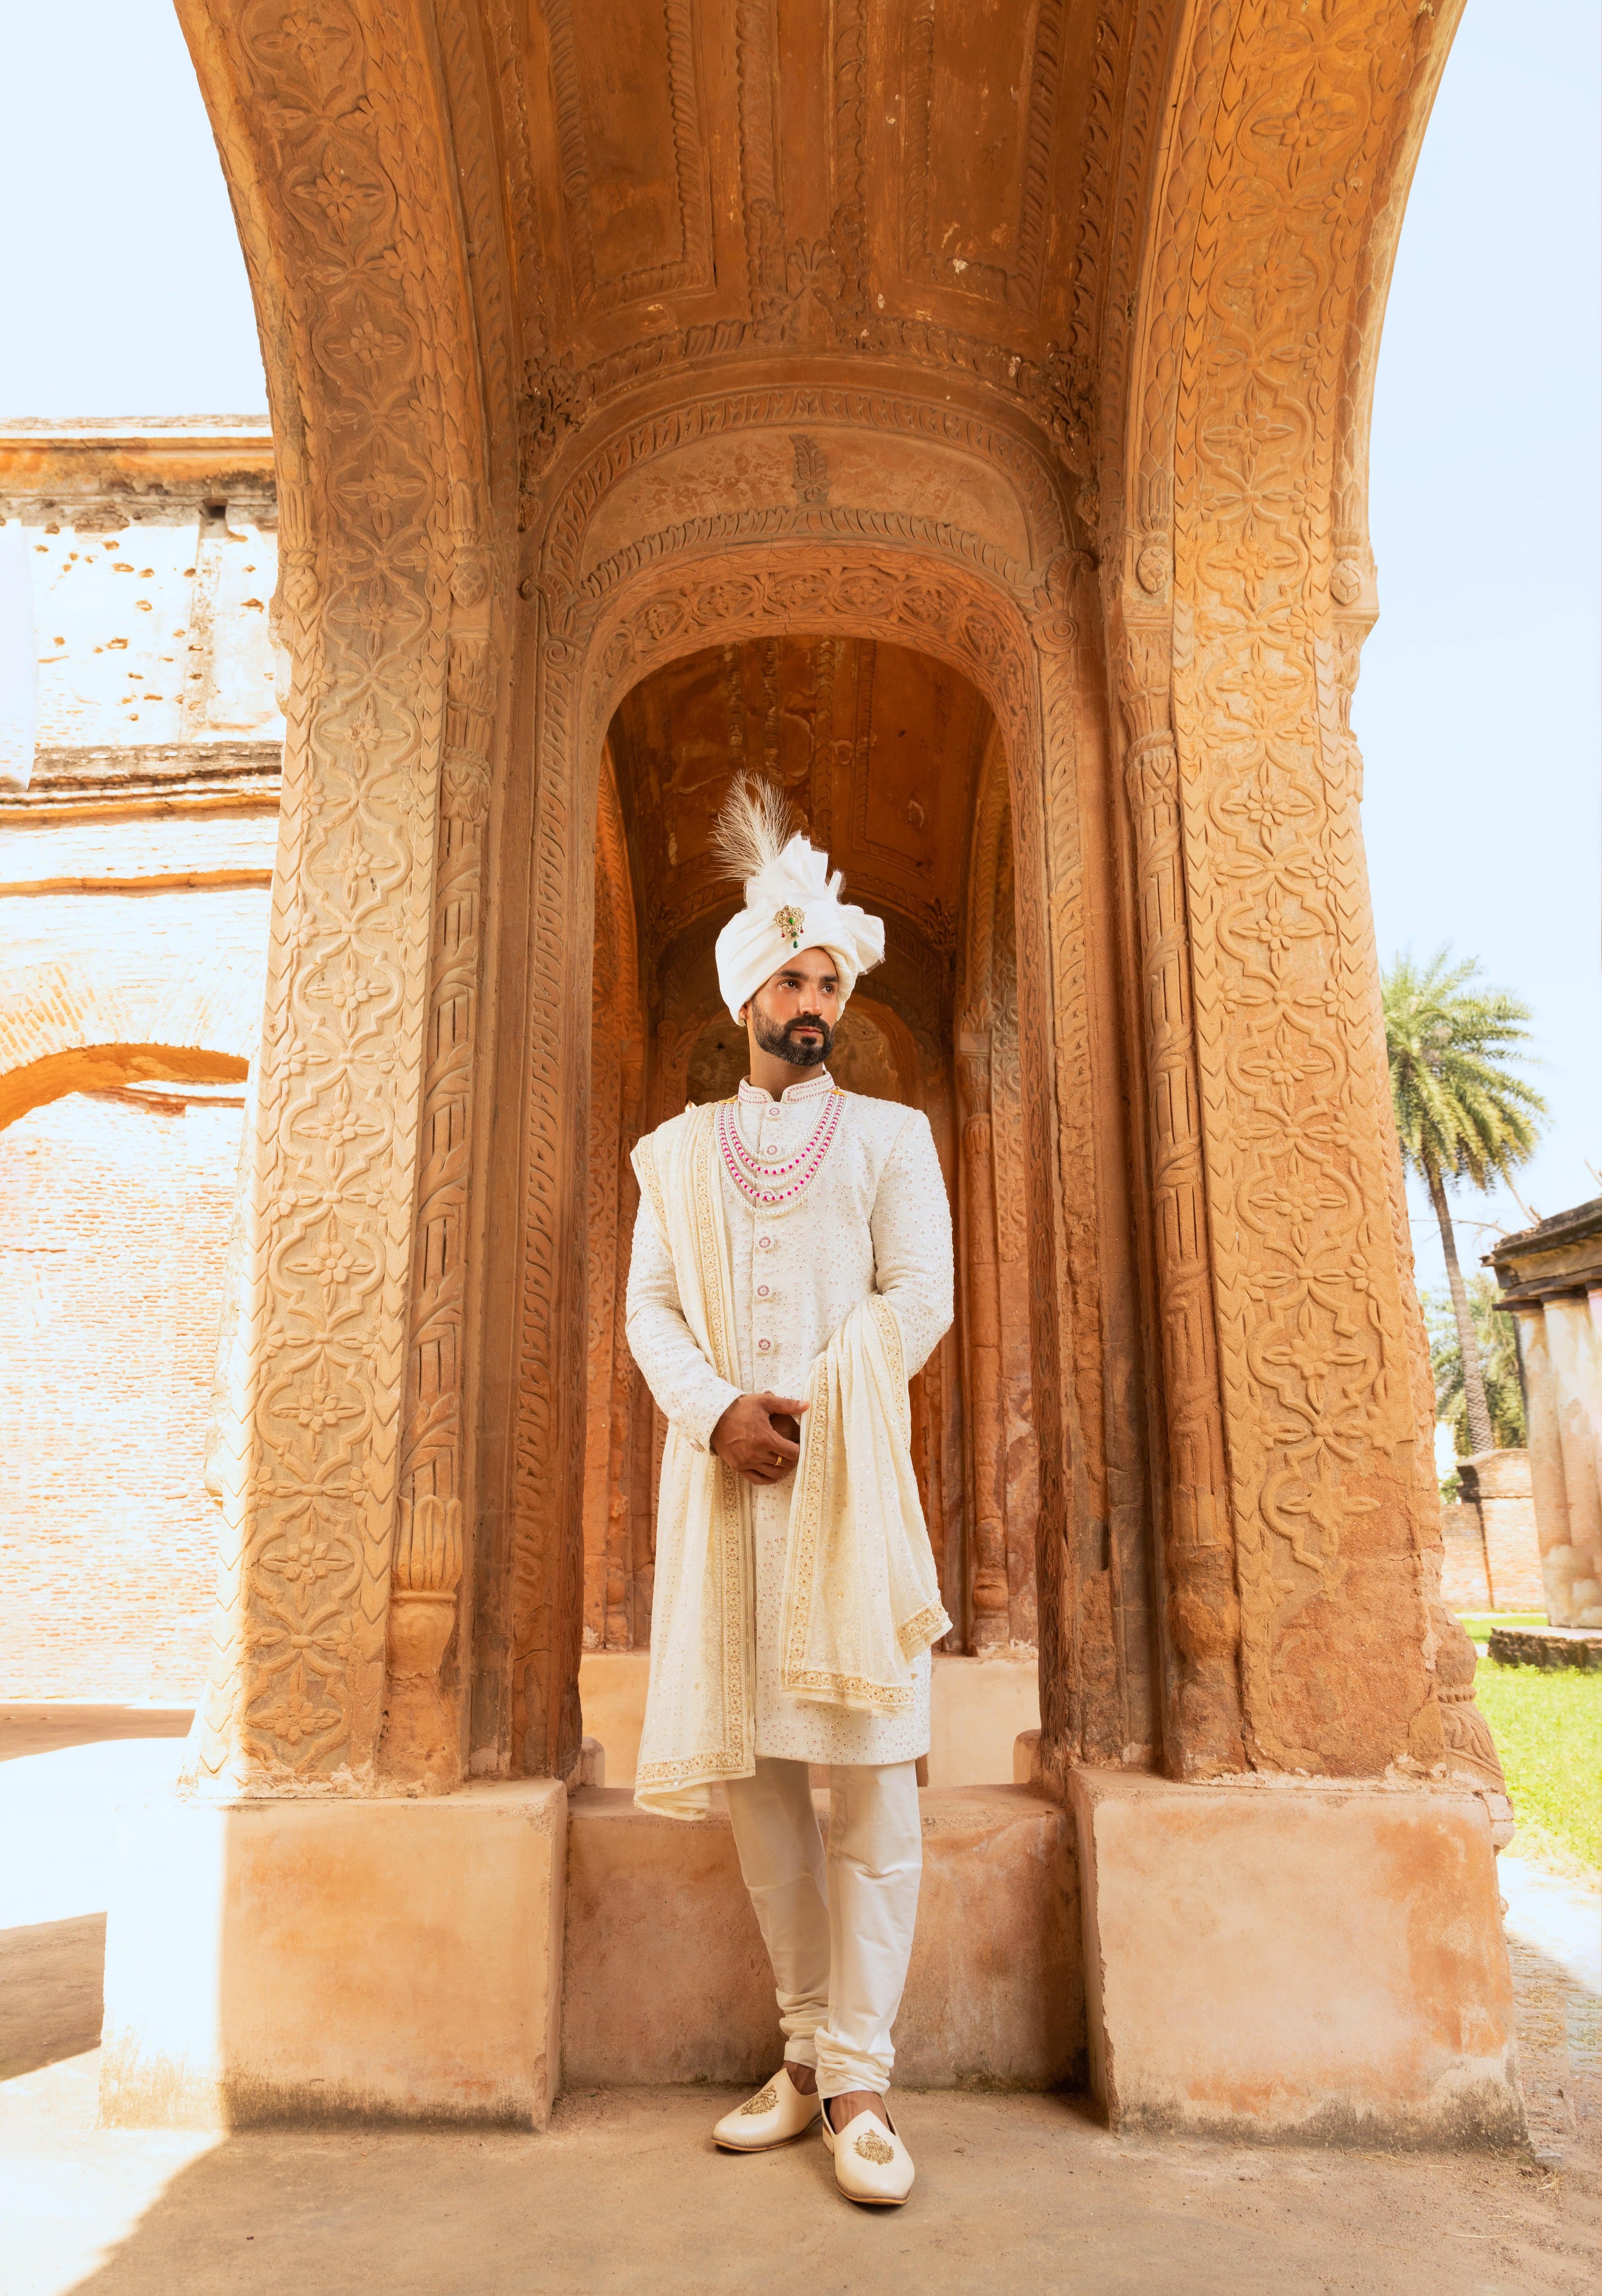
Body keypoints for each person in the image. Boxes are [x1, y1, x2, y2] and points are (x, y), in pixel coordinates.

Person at [624, 776, 954, 2207]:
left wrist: (811, 1407)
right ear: (747, 991)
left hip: (847, 1488)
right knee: (765, 1799)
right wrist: (715, 1416)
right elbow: (648, 1315)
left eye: (829, 977)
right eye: (791, 975)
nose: (812, 996)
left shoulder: (891, 1138)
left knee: (875, 1786)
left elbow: (919, 1296)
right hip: (727, 1502)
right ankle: (807, 2056)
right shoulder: (678, 1157)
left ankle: (867, 2080)